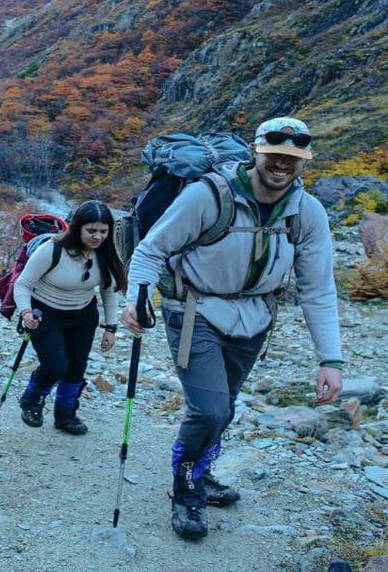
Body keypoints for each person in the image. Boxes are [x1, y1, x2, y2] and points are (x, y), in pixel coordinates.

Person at [120, 116, 344, 541]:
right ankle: (186, 490)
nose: (282, 165)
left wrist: (329, 359)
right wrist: (136, 299)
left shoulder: (306, 212)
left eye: (292, 159)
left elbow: (318, 289)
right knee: (209, 409)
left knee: (226, 405)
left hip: (255, 318)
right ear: (256, 152)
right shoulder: (209, 196)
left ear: (304, 163)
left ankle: (201, 473)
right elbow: (152, 250)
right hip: (194, 309)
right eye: (274, 155)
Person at [13, 201, 125, 434]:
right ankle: (32, 398)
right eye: (91, 231)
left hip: (83, 316)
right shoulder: (52, 249)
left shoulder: (105, 253)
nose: (97, 237)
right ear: (77, 228)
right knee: (55, 365)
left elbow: (108, 291)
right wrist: (25, 312)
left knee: (76, 368)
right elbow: (23, 284)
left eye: (103, 232)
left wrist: (111, 328)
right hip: (45, 313)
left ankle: (66, 415)